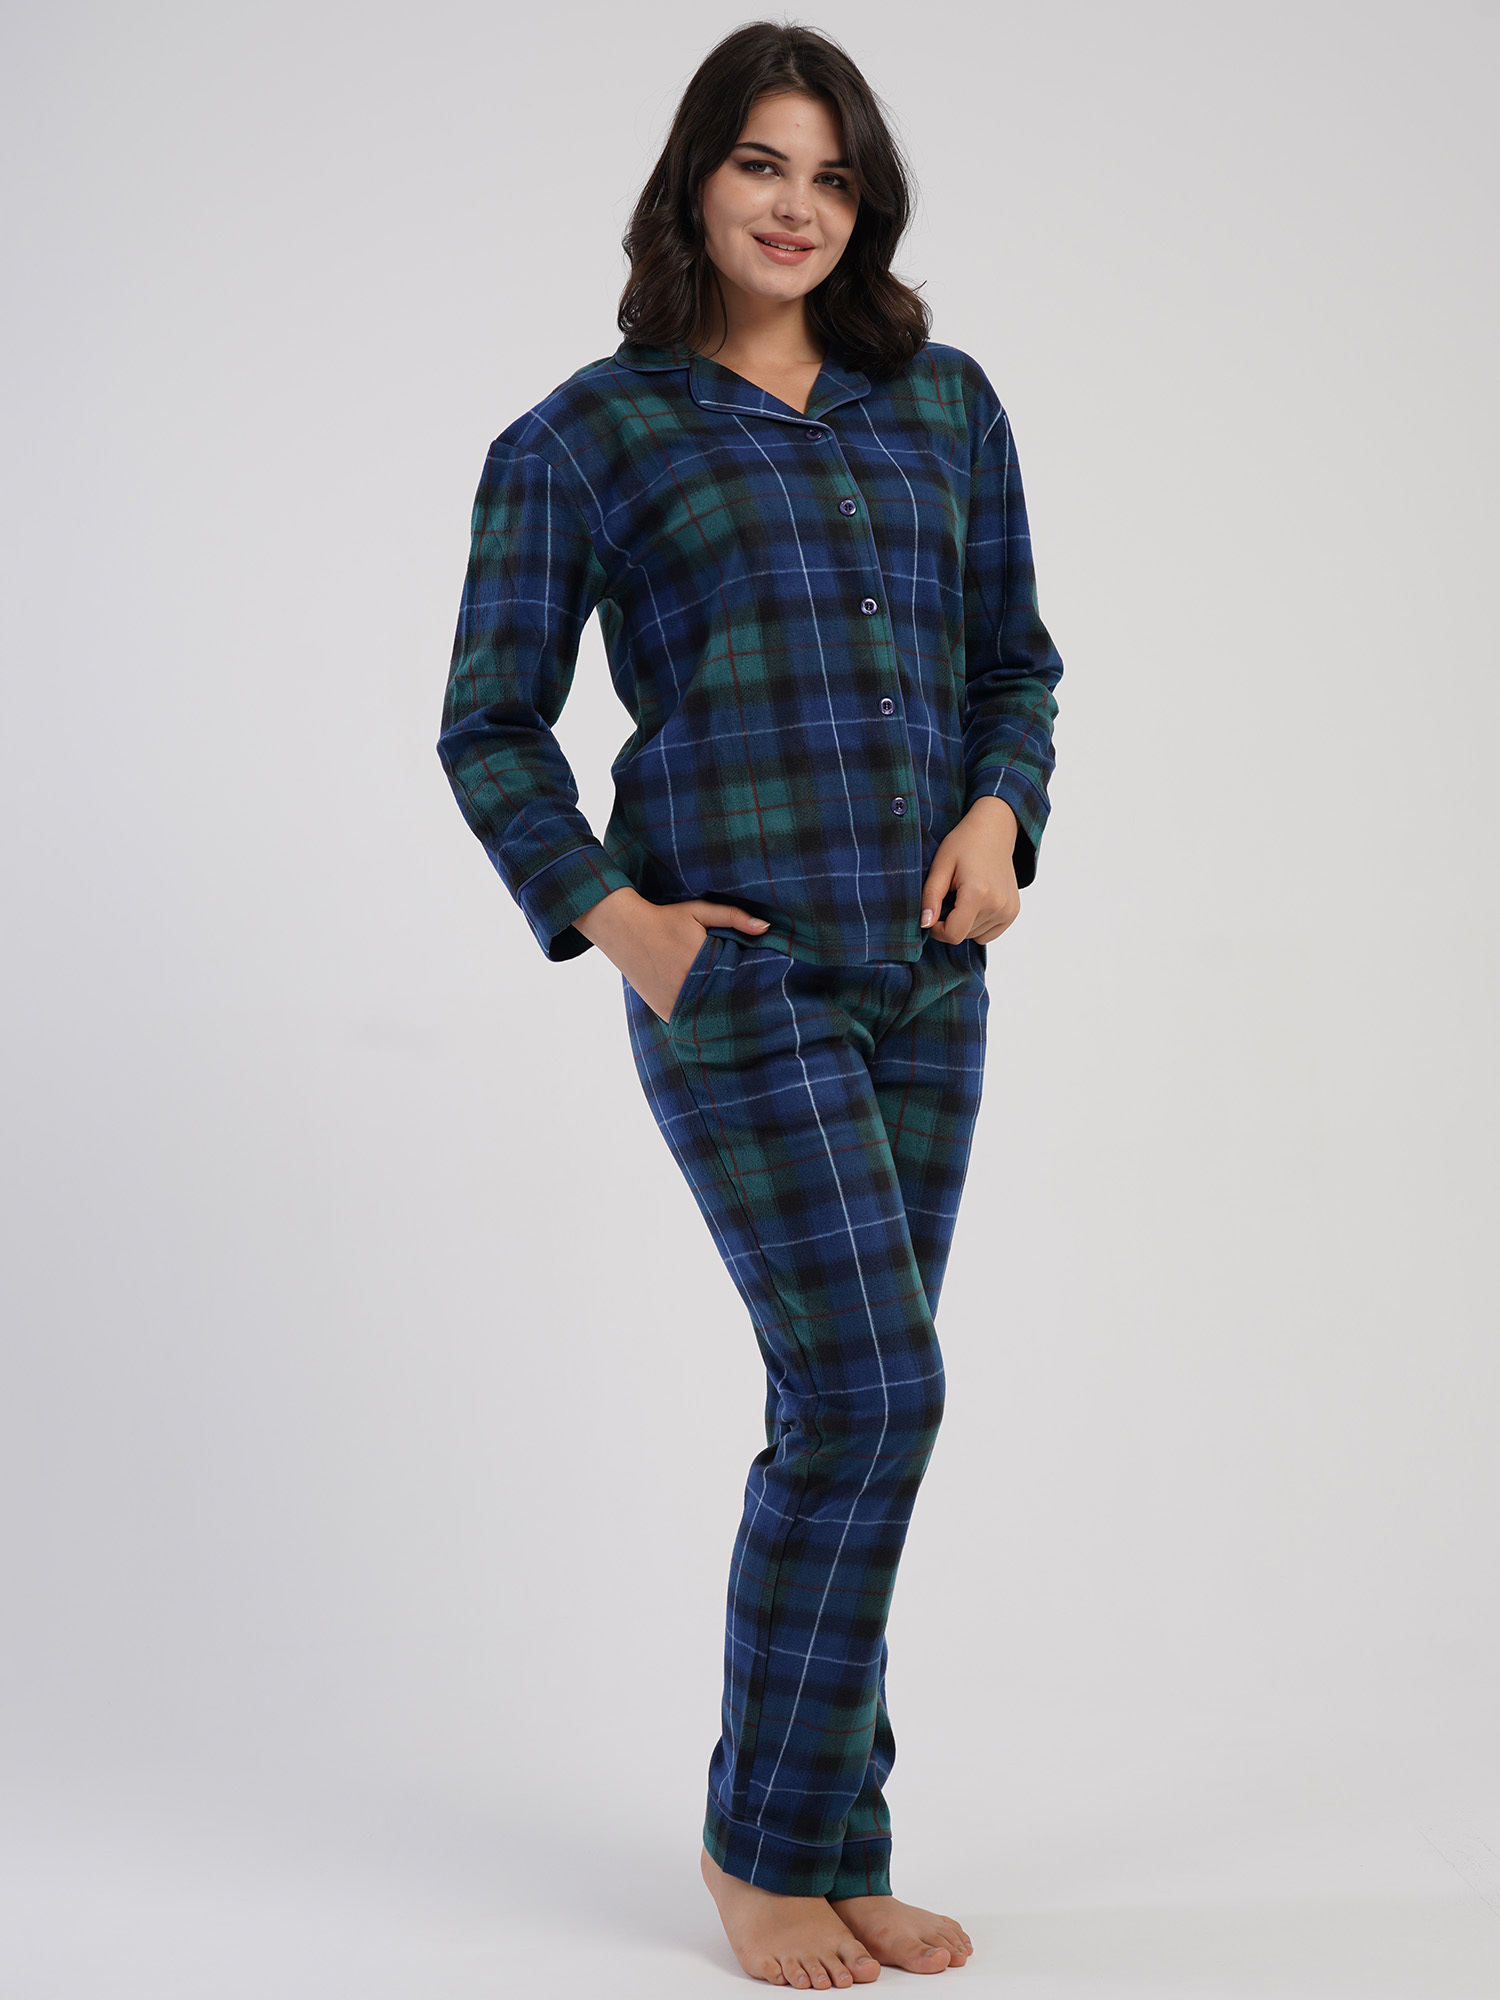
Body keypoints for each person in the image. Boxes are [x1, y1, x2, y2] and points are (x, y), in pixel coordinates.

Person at [437, 21, 1063, 1989]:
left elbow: (1016, 662)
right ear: (695, 179)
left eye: (834, 176)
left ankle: (834, 1834)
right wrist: (624, 927)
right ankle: (762, 1850)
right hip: (747, 981)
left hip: (930, 978)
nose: (798, 207)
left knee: (853, 1410)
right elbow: (488, 727)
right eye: (762, 165)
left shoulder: (940, 405)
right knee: (876, 1393)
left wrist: (1002, 811)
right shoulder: (586, 439)